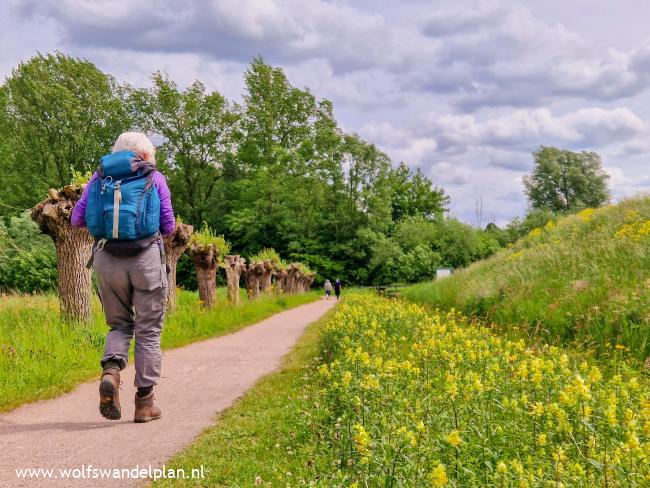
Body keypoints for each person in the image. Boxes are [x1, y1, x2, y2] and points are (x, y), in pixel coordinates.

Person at [71, 132, 175, 423]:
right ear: (144, 156)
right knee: (148, 331)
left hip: (107, 259)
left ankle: (111, 373)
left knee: (118, 324)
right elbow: (168, 225)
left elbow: (76, 220)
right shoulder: (155, 178)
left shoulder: (100, 176)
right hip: (146, 262)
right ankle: (144, 405)